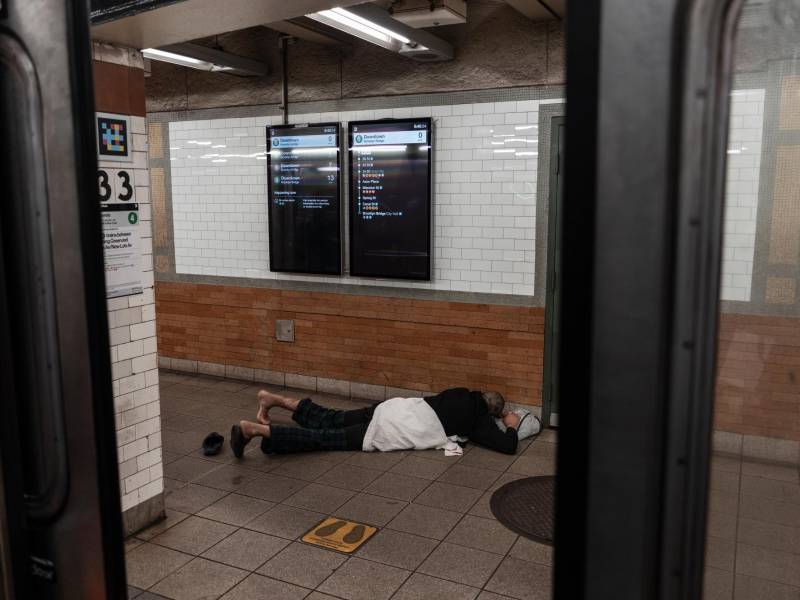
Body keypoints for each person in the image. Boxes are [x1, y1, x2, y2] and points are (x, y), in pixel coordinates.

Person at [230, 387, 522, 458]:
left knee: (334, 417)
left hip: (392, 408)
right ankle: (254, 430)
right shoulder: (479, 419)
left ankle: (274, 400)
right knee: (327, 438)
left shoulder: (460, 393)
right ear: (492, 411)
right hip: (392, 428)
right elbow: (507, 446)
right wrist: (511, 423)